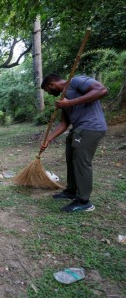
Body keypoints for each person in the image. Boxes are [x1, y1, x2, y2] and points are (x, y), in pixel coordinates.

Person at [40, 73, 108, 213]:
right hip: (77, 129)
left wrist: (70, 102)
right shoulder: (62, 98)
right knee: (71, 159)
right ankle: (71, 191)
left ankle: (84, 201)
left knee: (81, 162)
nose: (49, 93)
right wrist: (48, 139)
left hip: (90, 127)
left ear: (51, 85)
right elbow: (64, 123)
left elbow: (102, 90)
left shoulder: (76, 81)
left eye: (48, 90)